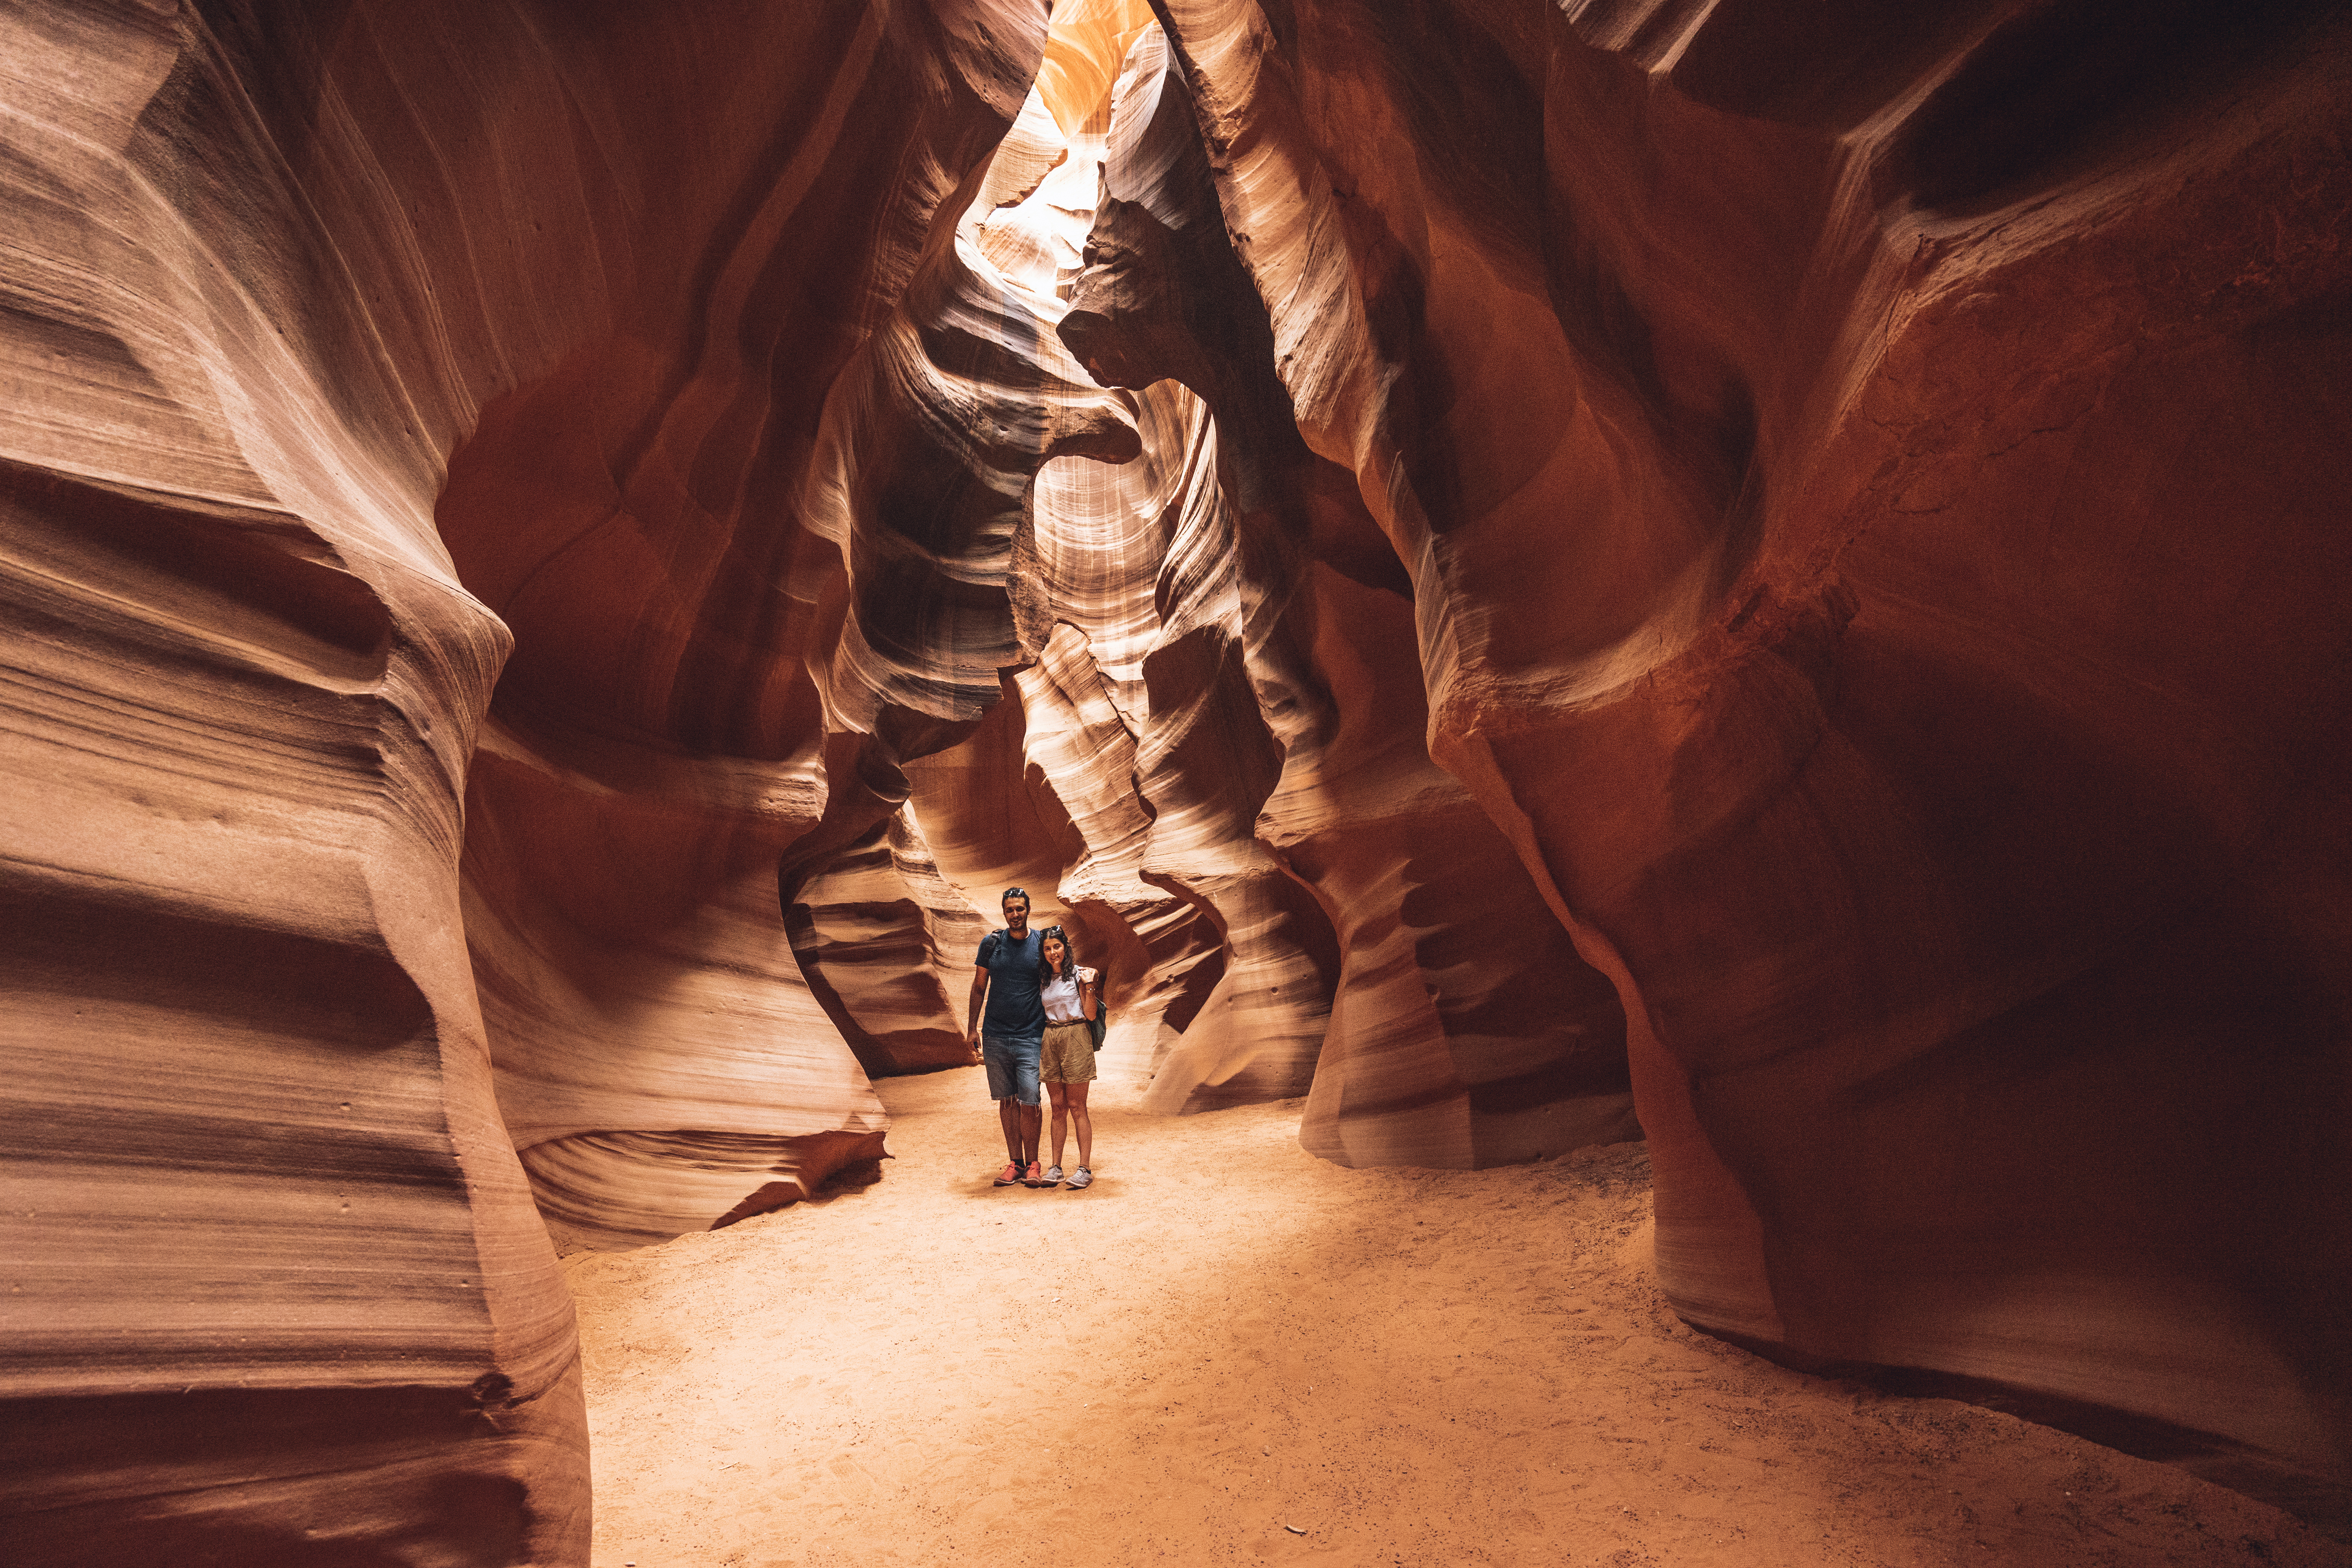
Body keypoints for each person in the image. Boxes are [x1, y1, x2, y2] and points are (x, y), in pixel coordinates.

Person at [968, 887, 1047, 1186]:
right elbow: (979, 988)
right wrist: (972, 1028)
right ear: (1004, 912)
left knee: (1031, 1100)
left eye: (1020, 909)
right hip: (996, 1034)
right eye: (1010, 910)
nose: (1015, 915)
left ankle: (1035, 1163)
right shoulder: (991, 945)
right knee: (1007, 1100)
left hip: (1031, 1035)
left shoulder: (1041, 943)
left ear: (1028, 910)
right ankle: (1016, 1162)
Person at [1034, 926, 1100, 1189]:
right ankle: (1056, 1167)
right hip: (1051, 1038)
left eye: (1057, 947)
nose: (1053, 953)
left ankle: (1084, 1169)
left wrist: (1091, 986)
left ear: (1066, 947)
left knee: (1077, 1106)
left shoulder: (1079, 975)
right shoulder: (1043, 979)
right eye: (1048, 948)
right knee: (1058, 1107)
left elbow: (1091, 1015)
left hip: (1076, 1035)